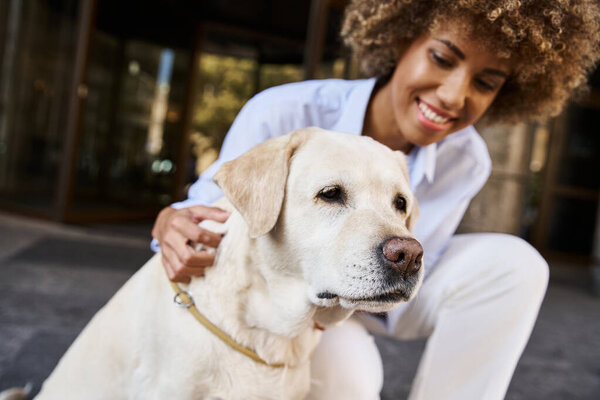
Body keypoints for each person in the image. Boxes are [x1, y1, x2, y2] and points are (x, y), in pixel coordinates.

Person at [152, 0, 600, 399]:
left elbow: (416, 253)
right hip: (283, 297)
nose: (453, 95)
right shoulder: (285, 113)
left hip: (383, 291)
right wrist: (170, 223)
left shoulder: (468, 161)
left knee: (518, 265)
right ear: (402, 37)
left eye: (486, 82)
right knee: (351, 381)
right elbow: (206, 219)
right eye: (442, 58)